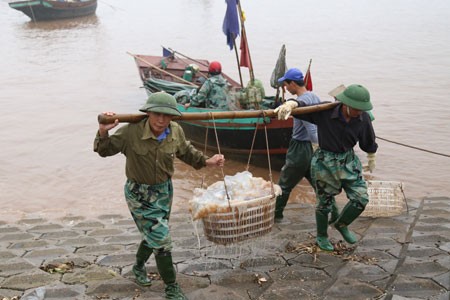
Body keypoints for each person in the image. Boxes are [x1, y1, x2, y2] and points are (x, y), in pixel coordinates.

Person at [94, 92, 225, 299]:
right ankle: (172, 287)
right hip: (139, 194)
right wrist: (103, 131)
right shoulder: (131, 132)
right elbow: (104, 150)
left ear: (173, 117)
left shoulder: (175, 131)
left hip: (164, 191)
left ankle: (138, 267)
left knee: (153, 233)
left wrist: (208, 161)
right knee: (161, 238)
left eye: (166, 115)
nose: (161, 120)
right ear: (148, 113)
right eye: (156, 114)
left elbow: (187, 152)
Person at [275, 84, 377, 251]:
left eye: (362, 109)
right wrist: (291, 104)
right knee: (324, 203)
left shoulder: (363, 118)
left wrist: (372, 155)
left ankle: (342, 224)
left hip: (348, 161)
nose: (360, 112)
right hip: (325, 161)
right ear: (346, 104)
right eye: (357, 108)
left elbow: (368, 141)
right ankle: (322, 235)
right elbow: (304, 108)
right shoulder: (324, 111)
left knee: (361, 198)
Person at [272, 67, 322, 224]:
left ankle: (275, 216)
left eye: (286, 85)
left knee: (285, 184)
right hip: (314, 148)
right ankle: (333, 215)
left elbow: (311, 126)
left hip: (300, 148)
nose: (285, 88)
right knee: (320, 185)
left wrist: (315, 143)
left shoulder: (301, 102)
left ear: (293, 83)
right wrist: (320, 147)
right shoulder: (315, 97)